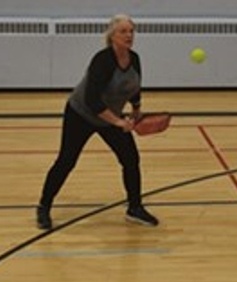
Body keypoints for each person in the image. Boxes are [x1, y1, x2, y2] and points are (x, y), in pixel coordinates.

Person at [37, 14, 157, 230]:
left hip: (110, 115)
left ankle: (135, 208)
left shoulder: (135, 59)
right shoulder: (102, 60)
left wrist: (137, 110)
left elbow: (134, 87)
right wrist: (119, 122)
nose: (129, 35)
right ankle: (44, 207)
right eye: (123, 31)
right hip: (81, 114)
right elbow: (92, 101)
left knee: (130, 158)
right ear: (112, 36)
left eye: (131, 31)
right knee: (66, 161)